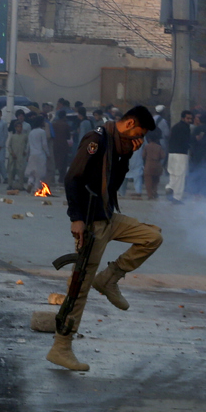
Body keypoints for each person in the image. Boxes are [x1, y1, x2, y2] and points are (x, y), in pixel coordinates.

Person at [49, 105, 163, 371]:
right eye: (139, 132)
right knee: (80, 287)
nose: (139, 139)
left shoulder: (116, 145)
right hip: (91, 221)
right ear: (130, 123)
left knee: (152, 237)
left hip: (108, 216)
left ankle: (110, 279)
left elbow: (112, 185)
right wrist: (75, 218)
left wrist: (126, 157)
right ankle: (61, 347)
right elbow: (72, 178)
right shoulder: (97, 140)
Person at [166, 110, 193, 202]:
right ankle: (177, 197)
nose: (189, 120)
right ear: (183, 118)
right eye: (188, 118)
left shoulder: (175, 127)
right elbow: (186, 141)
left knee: (173, 174)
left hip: (171, 153)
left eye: (190, 118)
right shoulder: (185, 128)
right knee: (180, 176)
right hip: (181, 154)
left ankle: (170, 187)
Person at [25, 115, 49, 189]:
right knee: (39, 173)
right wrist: (48, 154)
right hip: (40, 154)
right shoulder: (42, 132)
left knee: (32, 171)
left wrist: (27, 154)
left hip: (32, 154)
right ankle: (36, 188)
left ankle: (30, 182)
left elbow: (28, 145)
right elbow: (44, 144)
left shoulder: (31, 132)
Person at [51, 109, 73, 184]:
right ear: (64, 117)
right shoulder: (66, 125)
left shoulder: (54, 124)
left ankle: (52, 177)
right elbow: (68, 137)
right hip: (63, 145)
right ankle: (61, 178)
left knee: (56, 161)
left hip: (55, 145)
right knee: (64, 162)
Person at [5, 119, 29, 190]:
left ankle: (21, 186)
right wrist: (12, 153)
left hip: (21, 156)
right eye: (18, 127)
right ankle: (10, 185)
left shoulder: (24, 136)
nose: (19, 128)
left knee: (21, 171)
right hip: (13, 156)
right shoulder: (13, 136)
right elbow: (9, 146)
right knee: (11, 171)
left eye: (21, 127)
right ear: (15, 128)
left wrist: (25, 151)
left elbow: (27, 145)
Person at [143, 127, 166, 199]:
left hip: (149, 165)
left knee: (148, 182)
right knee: (156, 181)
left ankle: (150, 195)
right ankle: (155, 192)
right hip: (157, 165)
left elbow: (143, 156)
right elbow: (163, 156)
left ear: (149, 139)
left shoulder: (146, 146)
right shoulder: (159, 147)